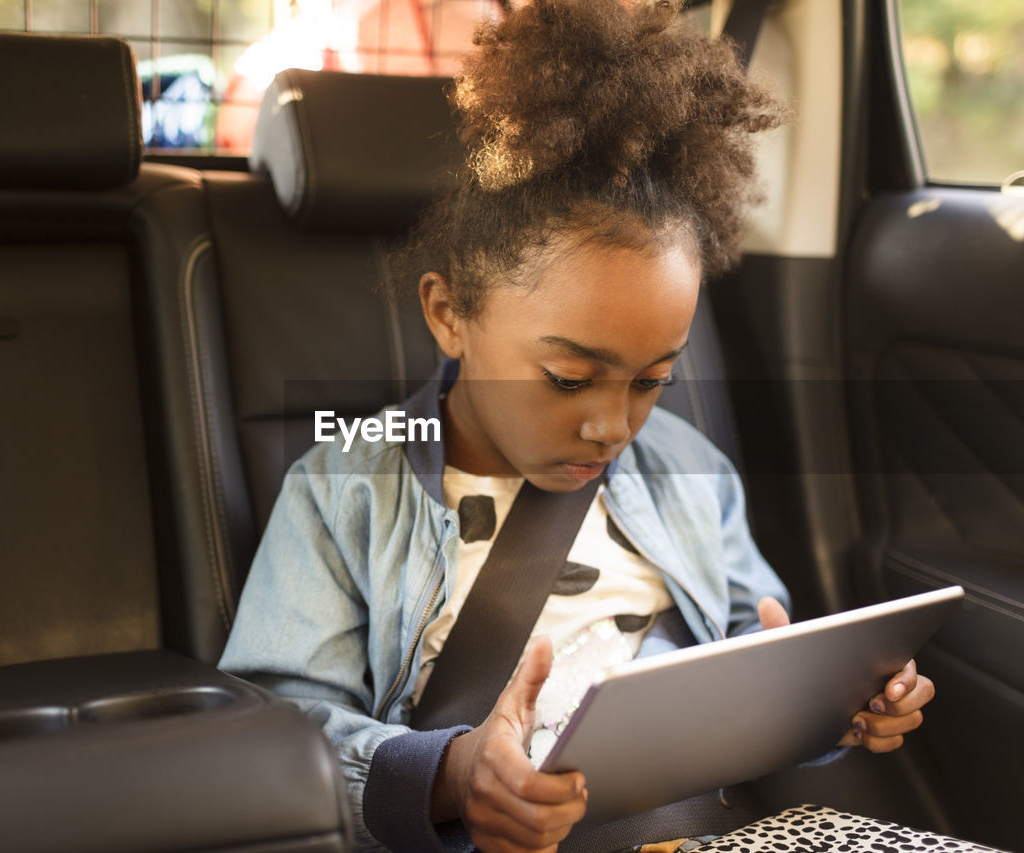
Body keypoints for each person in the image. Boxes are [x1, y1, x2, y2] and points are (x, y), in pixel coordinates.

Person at [219, 0, 935, 851]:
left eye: (653, 381)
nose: (611, 425)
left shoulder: (687, 472)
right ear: (451, 315)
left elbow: (753, 640)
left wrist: (829, 701)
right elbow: (278, 726)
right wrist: (452, 773)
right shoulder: (347, 487)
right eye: (567, 377)